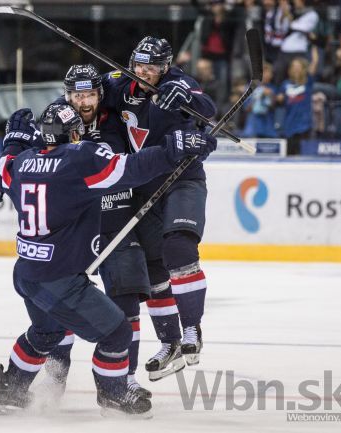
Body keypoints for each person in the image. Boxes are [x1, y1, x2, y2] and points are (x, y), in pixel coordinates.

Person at [0, 103, 216, 416]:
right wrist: (176, 149)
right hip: (60, 278)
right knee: (117, 332)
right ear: (74, 133)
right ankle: (113, 395)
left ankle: (10, 390)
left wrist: (12, 142)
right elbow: (133, 168)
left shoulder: (20, 162)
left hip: (27, 273)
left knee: (46, 332)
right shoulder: (80, 159)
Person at [101, 36, 216, 381]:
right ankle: (171, 343)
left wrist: (186, 99)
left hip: (182, 179)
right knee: (153, 272)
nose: (144, 71)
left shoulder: (177, 83)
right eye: (139, 64)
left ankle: (192, 329)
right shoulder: (119, 85)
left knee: (179, 248)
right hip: (143, 185)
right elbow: (86, 100)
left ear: (165, 66)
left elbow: (207, 108)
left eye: (152, 67)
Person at [43, 64, 152, 400]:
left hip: (116, 225)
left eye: (90, 94)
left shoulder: (119, 120)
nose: (84, 101)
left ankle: (125, 381)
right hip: (72, 232)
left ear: (99, 95)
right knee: (62, 306)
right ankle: (54, 377)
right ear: (67, 95)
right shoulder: (52, 125)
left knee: (127, 306)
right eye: (77, 94)